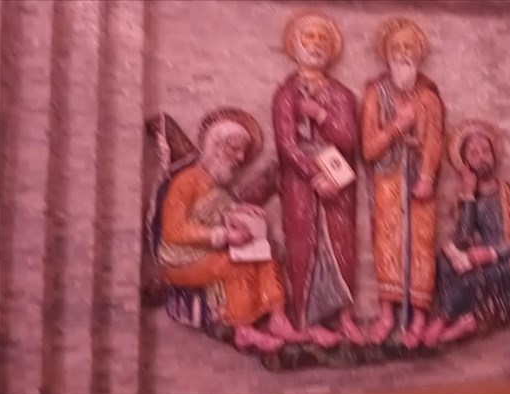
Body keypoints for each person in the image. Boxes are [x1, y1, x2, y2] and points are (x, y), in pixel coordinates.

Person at [153, 108, 306, 352]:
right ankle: (242, 330)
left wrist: (241, 210)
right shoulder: (187, 181)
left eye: (243, 151)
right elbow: (174, 229)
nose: (241, 157)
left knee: (266, 257)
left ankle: (277, 319)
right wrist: (223, 235)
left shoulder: (214, 184)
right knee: (237, 266)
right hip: (181, 260)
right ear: (216, 147)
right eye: (235, 149)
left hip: (206, 253)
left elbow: (218, 211)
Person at [272, 11, 365, 347]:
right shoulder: (286, 94)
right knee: (304, 244)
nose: (315, 45)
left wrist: (319, 114)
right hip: (301, 180)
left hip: (337, 176)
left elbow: (348, 139)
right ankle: (307, 320)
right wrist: (313, 175)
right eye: (309, 38)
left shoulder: (341, 95)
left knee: (341, 245)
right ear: (296, 46)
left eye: (322, 39)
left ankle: (343, 317)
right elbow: (286, 144)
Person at [421, 120, 510, 347]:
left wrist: (492, 253)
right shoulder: (474, 200)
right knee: (443, 264)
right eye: (474, 153)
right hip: (487, 260)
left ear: (494, 155)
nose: (481, 157)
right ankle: (466, 319)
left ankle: (444, 320)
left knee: (474, 280)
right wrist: (467, 196)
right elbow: (463, 238)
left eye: (485, 151)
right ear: (464, 163)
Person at [361, 17, 445, 347]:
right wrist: (398, 126)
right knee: (387, 242)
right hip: (387, 179)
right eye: (397, 47)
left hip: (419, 181)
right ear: (387, 54)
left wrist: (427, 177)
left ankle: (419, 316)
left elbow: (435, 141)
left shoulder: (429, 97)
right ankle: (388, 314)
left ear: (419, 53)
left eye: (410, 47)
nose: (404, 53)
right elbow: (369, 148)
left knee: (421, 243)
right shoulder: (375, 93)